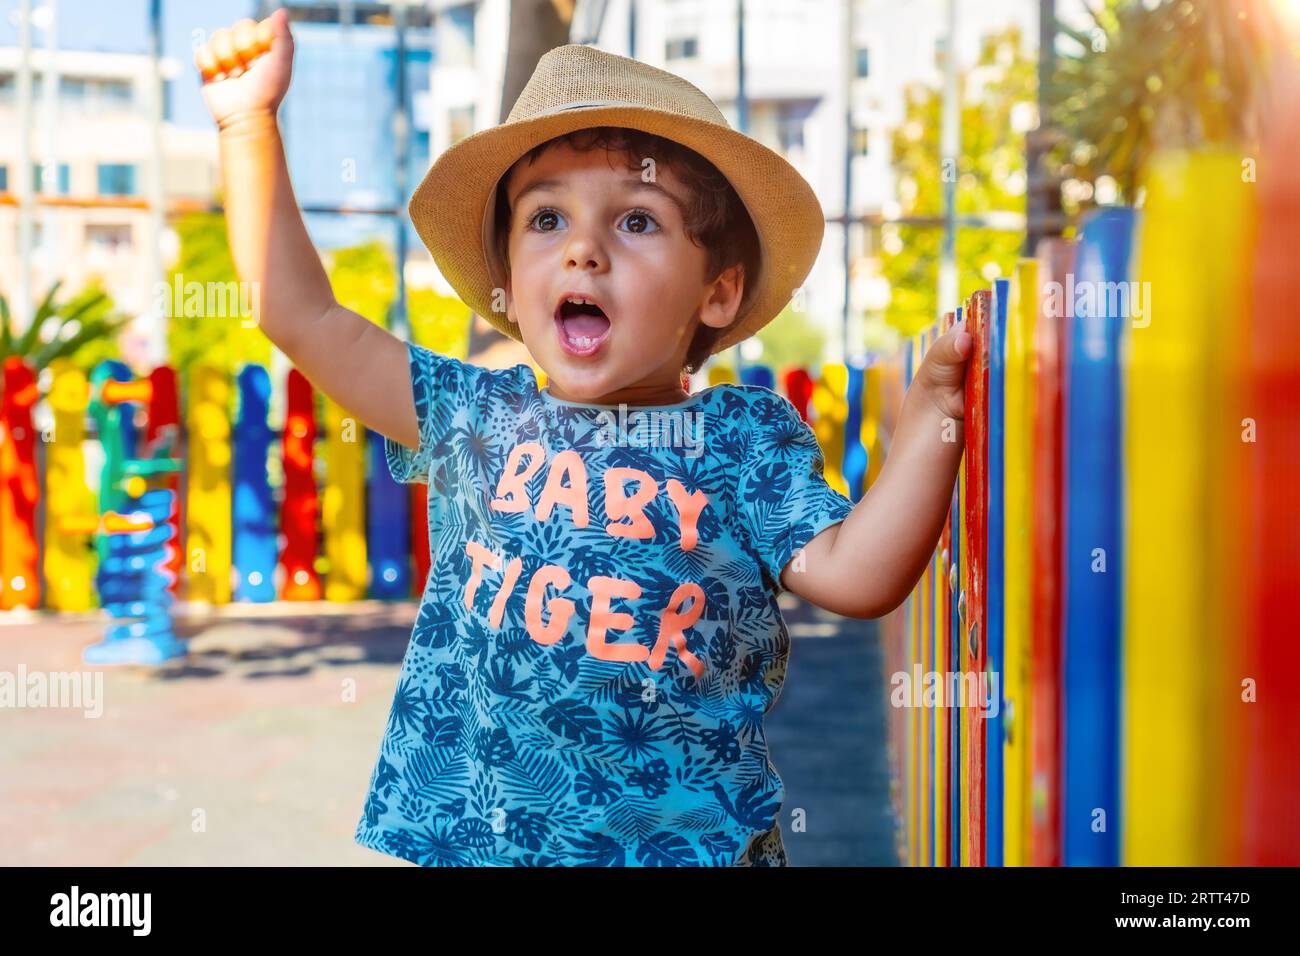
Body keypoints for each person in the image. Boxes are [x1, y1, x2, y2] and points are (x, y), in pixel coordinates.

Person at [194, 8, 972, 866]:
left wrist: (932, 413)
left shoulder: (738, 440)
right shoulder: (474, 418)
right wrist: (247, 124)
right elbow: (301, 314)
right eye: (546, 220)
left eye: (636, 221)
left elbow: (860, 576)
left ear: (717, 292)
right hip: (489, 843)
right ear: (506, 281)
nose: (583, 253)